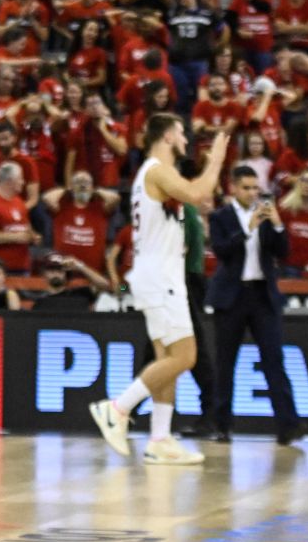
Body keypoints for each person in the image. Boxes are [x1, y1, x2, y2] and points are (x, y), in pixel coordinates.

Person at [89, 112, 234, 464]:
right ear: (168, 136)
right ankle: (117, 408)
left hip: (158, 276)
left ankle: (159, 438)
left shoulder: (152, 173)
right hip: (161, 278)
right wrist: (216, 160)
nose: (186, 139)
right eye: (182, 132)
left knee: (168, 359)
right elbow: (199, 194)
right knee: (185, 357)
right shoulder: (157, 170)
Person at [206, 165, 302, 443]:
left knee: (274, 360)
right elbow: (222, 251)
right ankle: (222, 425)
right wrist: (247, 230)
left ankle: (288, 425)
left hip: (262, 295)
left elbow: (283, 252)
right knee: (226, 363)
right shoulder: (220, 217)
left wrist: (278, 224)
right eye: (246, 187)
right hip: (231, 296)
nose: (251, 193)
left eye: (255, 188)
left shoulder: (266, 215)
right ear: (234, 188)